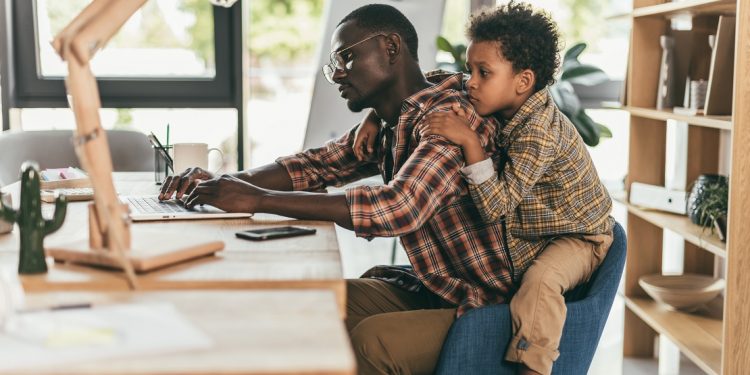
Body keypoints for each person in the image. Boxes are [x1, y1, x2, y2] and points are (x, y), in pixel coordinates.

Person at [159, 4, 517, 374]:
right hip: (431, 287)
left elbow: (398, 207)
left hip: (481, 306)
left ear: (391, 49)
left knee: (371, 342)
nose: (338, 75)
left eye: (347, 56)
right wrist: (227, 184)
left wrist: (257, 200)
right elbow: (317, 164)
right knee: (309, 307)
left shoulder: (452, 120)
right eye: (335, 63)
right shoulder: (395, 117)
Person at [352, 2, 614, 374]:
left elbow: (497, 206)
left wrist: (470, 142)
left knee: (541, 282)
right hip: (541, 224)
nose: (470, 81)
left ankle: (533, 365)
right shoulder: (489, 93)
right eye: (470, 68)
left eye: (483, 73)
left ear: (522, 82)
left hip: (578, 236)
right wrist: (376, 115)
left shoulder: (538, 132)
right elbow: (426, 83)